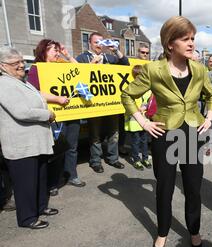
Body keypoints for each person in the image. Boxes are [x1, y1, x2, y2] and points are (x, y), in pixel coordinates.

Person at [121, 16, 212, 247]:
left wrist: (209, 118)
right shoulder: (153, 70)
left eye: (193, 38)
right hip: (164, 134)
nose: (191, 43)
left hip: (192, 133)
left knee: (193, 187)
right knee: (165, 187)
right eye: (185, 38)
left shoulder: (199, 69)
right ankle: (162, 231)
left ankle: (194, 230)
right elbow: (127, 95)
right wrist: (143, 122)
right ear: (170, 43)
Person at [0, 47, 59, 229]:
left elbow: (38, 98)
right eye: (15, 63)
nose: (21, 65)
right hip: (21, 143)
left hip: (36, 142)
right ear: (2, 66)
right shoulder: (4, 84)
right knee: (25, 183)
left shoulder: (23, 81)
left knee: (39, 178)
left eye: (21, 61)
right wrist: (47, 115)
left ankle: (41, 207)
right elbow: (21, 112)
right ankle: (27, 218)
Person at [27, 39, 84, 196]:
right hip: (53, 115)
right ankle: (53, 182)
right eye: (53, 50)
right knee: (56, 149)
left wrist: (67, 55)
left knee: (72, 146)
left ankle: (72, 175)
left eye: (58, 50)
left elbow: (81, 71)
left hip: (72, 113)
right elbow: (34, 92)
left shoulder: (62, 65)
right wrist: (56, 98)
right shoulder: (36, 69)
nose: (57, 52)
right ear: (43, 51)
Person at [76, 32, 129, 173]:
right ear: (90, 44)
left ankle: (113, 158)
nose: (99, 45)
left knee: (114, 132)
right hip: (94, 104)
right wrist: (91, 64)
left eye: (101, 42)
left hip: (111, 104)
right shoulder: (82, 57)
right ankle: (95, 161)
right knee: (95, 135)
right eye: (96, 42)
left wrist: (116, 50)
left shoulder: (109, 58)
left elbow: (125, 64)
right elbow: (76, 77)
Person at [125, 65, 152, 170]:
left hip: (144, 119)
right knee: (136, 141)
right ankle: (136, 160)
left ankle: (145, 158)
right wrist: (136, 108)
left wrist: (146, 106)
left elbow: (149, 100)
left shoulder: (147, 88)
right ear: (135, 76)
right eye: (139, 76)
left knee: (144, 140)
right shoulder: (130, 87)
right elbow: (127, 102)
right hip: (134, 120)